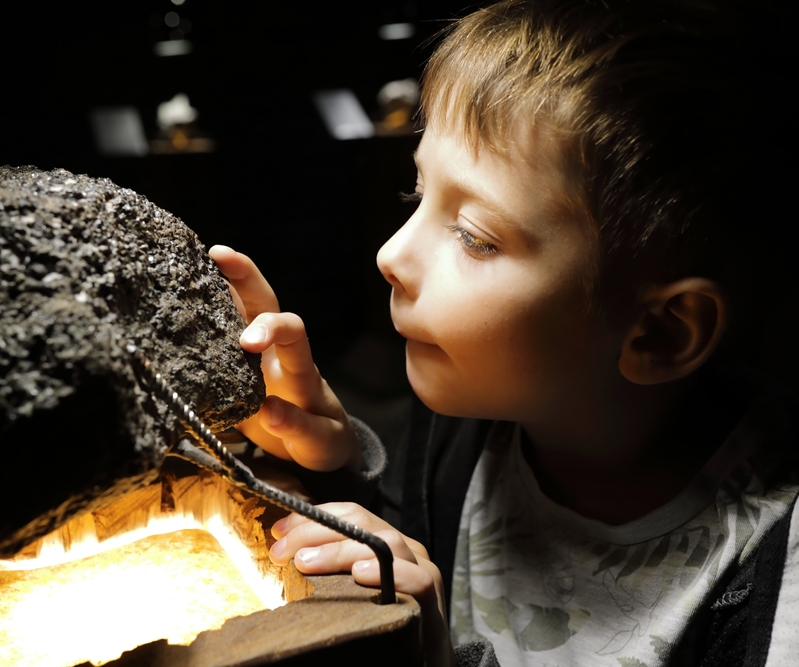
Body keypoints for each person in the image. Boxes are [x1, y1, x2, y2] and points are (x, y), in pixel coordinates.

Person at [210, 0, 798, 664]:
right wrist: (328, 471)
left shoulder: (768, 586)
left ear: (660, 332)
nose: (391, 254)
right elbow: (405, 546)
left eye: (475, 237)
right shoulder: (470, 424)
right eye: (418, 192)